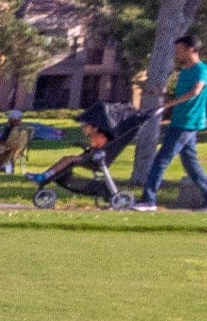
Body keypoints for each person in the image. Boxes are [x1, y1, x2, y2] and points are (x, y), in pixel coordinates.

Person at [134, 33, 207, 209]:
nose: (176, 53)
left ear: (191, 50)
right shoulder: (184, 71)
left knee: (161, 160)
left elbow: (196, 91)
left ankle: (148, 200)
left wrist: (170, 103)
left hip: (188, 122)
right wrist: (162, 95)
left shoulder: (201, 70)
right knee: (191, 163)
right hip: (179, 121)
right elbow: (181, 94)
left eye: (179, 50)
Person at [30, 100, 134, 210]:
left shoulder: (100, 137)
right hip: (92, 157)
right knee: (66, 159)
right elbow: (94, 148)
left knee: (68, 159)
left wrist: (89, 151)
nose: (82, 128)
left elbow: (99, 150)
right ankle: (45, 175)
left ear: (95, 127)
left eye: (85, 126)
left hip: (95, 159)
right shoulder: (95, 137)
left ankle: (46, 175)